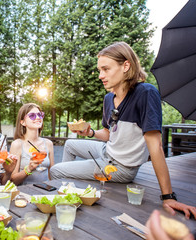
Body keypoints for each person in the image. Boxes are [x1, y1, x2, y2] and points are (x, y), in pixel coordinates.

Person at [50, 41, 196, 218]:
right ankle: (70, 191)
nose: (100, 76)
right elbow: (108, 134)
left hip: (120, 167)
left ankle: (66, 201)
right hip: (107, 151)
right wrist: (89, 133)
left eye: (106, 69)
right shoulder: (108, 99)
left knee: (55, 171)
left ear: (126, 65)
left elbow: (156, 147)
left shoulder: (145, 93)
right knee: (70, 145)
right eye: (99, 70)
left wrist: (168, 197)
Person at [10, 103, 54, 185]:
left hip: (45, 192)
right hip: (26, 193)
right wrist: (29, 169)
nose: (37, 118)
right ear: (23, 122)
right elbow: (13, 181)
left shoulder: (48, 143)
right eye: (32, 115)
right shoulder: (17, 144)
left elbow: (52, 175)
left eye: (39, 115)